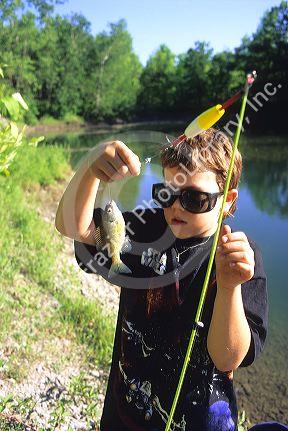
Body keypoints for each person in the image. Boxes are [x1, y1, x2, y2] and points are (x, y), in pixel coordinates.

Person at [55, 127, 268, 431]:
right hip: (125, 413)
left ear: (228, 200)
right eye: (166, 194)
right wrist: (90, 169)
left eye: (194, 198)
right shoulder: (146, 231)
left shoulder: (240, 260)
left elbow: (227, 359)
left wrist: (230, 286)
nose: (176, 206)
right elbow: (72, 227)